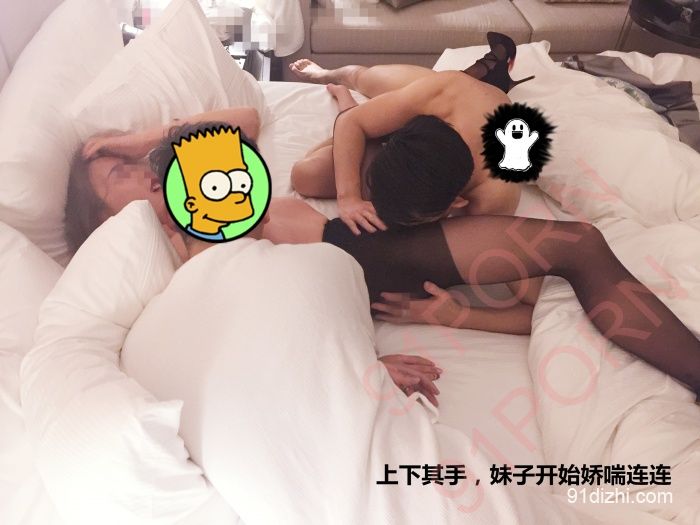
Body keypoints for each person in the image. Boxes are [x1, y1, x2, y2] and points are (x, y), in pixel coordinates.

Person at [288, 32, 536, 235]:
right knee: (363, 78)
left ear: (457, 202)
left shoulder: (496, 194)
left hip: (476, 107)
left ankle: (491, 70)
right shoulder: (439, 93)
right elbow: (350, 122)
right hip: (451, 93)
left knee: (309, 174)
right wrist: (348, 197)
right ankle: (326, 74)